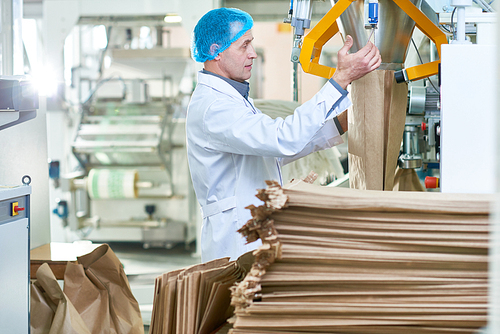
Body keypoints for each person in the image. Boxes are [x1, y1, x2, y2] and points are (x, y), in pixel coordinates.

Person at [186, 7, 381, 262]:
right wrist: (339, 80)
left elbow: (272, 155)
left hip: (253, 232)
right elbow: (283, 139)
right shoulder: (214, 108)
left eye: (251, 44)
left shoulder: (233, 99)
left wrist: (339, 124)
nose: (253, 54)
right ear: (216, 51)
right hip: (235, 242)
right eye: (244, 45)